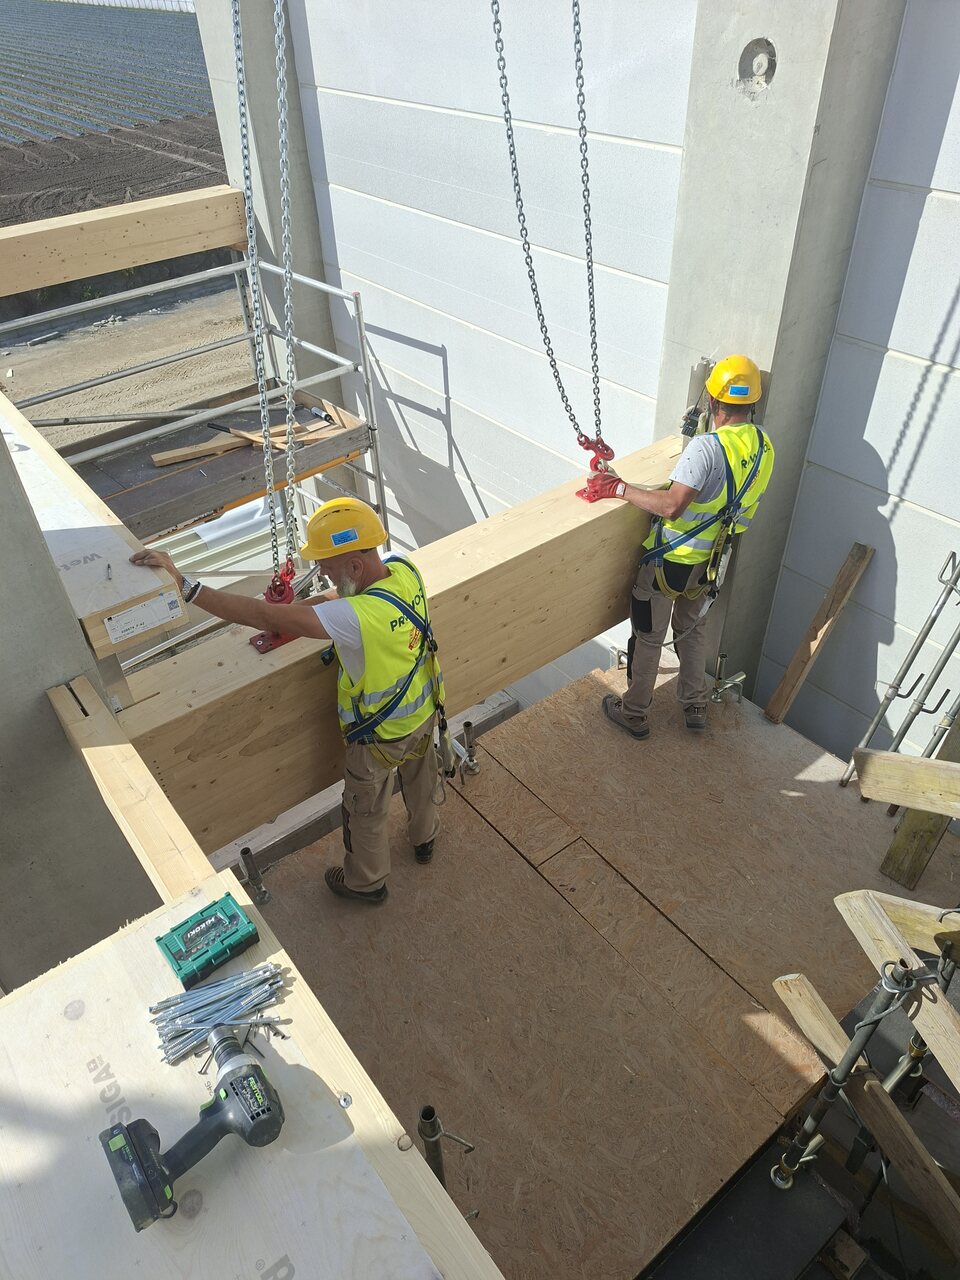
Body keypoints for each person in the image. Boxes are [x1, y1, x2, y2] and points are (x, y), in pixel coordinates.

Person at [131, 497, 441, 905]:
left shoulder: (356, 617)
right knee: (422, 780)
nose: (321, 572)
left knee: (365, 811)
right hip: (423, 713)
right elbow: (337, 600)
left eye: (326, 565)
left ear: (355, 566)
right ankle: (425, 840)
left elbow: (266, 618)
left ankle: (367, 885)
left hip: (379, 737)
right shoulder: (403, 570)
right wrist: (303, 608)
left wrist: (187, 586)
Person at [581, 354, 775, 737]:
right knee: (692, 630)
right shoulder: (764, 446)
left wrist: (618, 489)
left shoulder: (706, 448)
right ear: (752, 403)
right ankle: (695, 705)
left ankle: (633, 713)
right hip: (711, 564)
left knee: (649, 636)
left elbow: (672, 506)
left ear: (713, 401)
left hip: (671, 561)